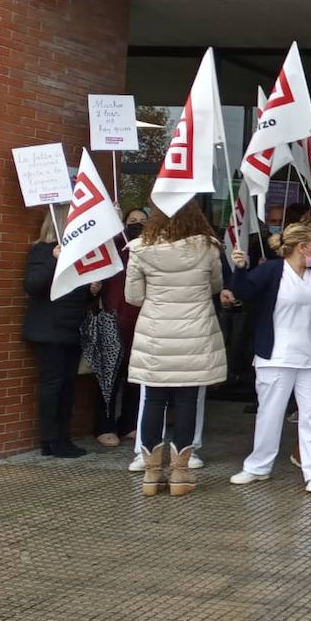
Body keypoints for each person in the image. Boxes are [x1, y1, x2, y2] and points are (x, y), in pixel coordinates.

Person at [125, 200, 227, 497]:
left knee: (153, 403)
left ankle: (151, 475)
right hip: (195, 335)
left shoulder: (140, 249)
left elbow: (133, 296)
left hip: (155, 336)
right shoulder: (208, 248)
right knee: (186, 403)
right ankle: (180, 474)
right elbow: (216, 286)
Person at [227, 223, 311, 492]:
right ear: (301, 247)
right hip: (277, 356)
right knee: (269, 413)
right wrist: (240, 268)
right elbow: (245, 292)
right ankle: (258, 466)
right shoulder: (272, 271)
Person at [22, 205, 99, 458]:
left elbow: (75, 292)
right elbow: (33, 286)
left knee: (67, 386)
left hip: (71, 328)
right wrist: (55, 260)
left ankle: (61, 438)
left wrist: (91, 291)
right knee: (53, 385)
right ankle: (51, 440)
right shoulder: (43, 251)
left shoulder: (78, 254)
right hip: (49, 330)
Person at [95, 206, 147, 450]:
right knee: (109, 378)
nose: (137, 223)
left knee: (135, 376)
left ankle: (129, 423)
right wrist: (111, 220)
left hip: (142, 320)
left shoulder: (150, 249)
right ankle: (104, 426)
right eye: (132, 220)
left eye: (142, 220)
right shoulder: (114, 246)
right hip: (112, 317)